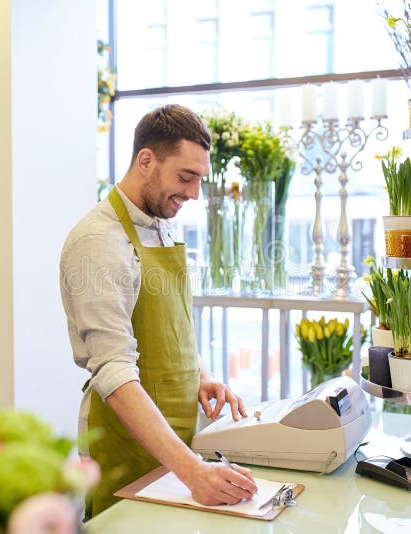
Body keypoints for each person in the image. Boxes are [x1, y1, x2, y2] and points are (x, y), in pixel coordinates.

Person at [60, 104, 258, 518]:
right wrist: (193, 472)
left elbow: (169, 330)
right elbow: (114, 370)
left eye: (199, 179)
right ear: (145, 160)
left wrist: (201, 375)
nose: (193, 194)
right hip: (128, 445)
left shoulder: (159, 224)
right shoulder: (97, 242)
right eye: (185, 177)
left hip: (178, 439)